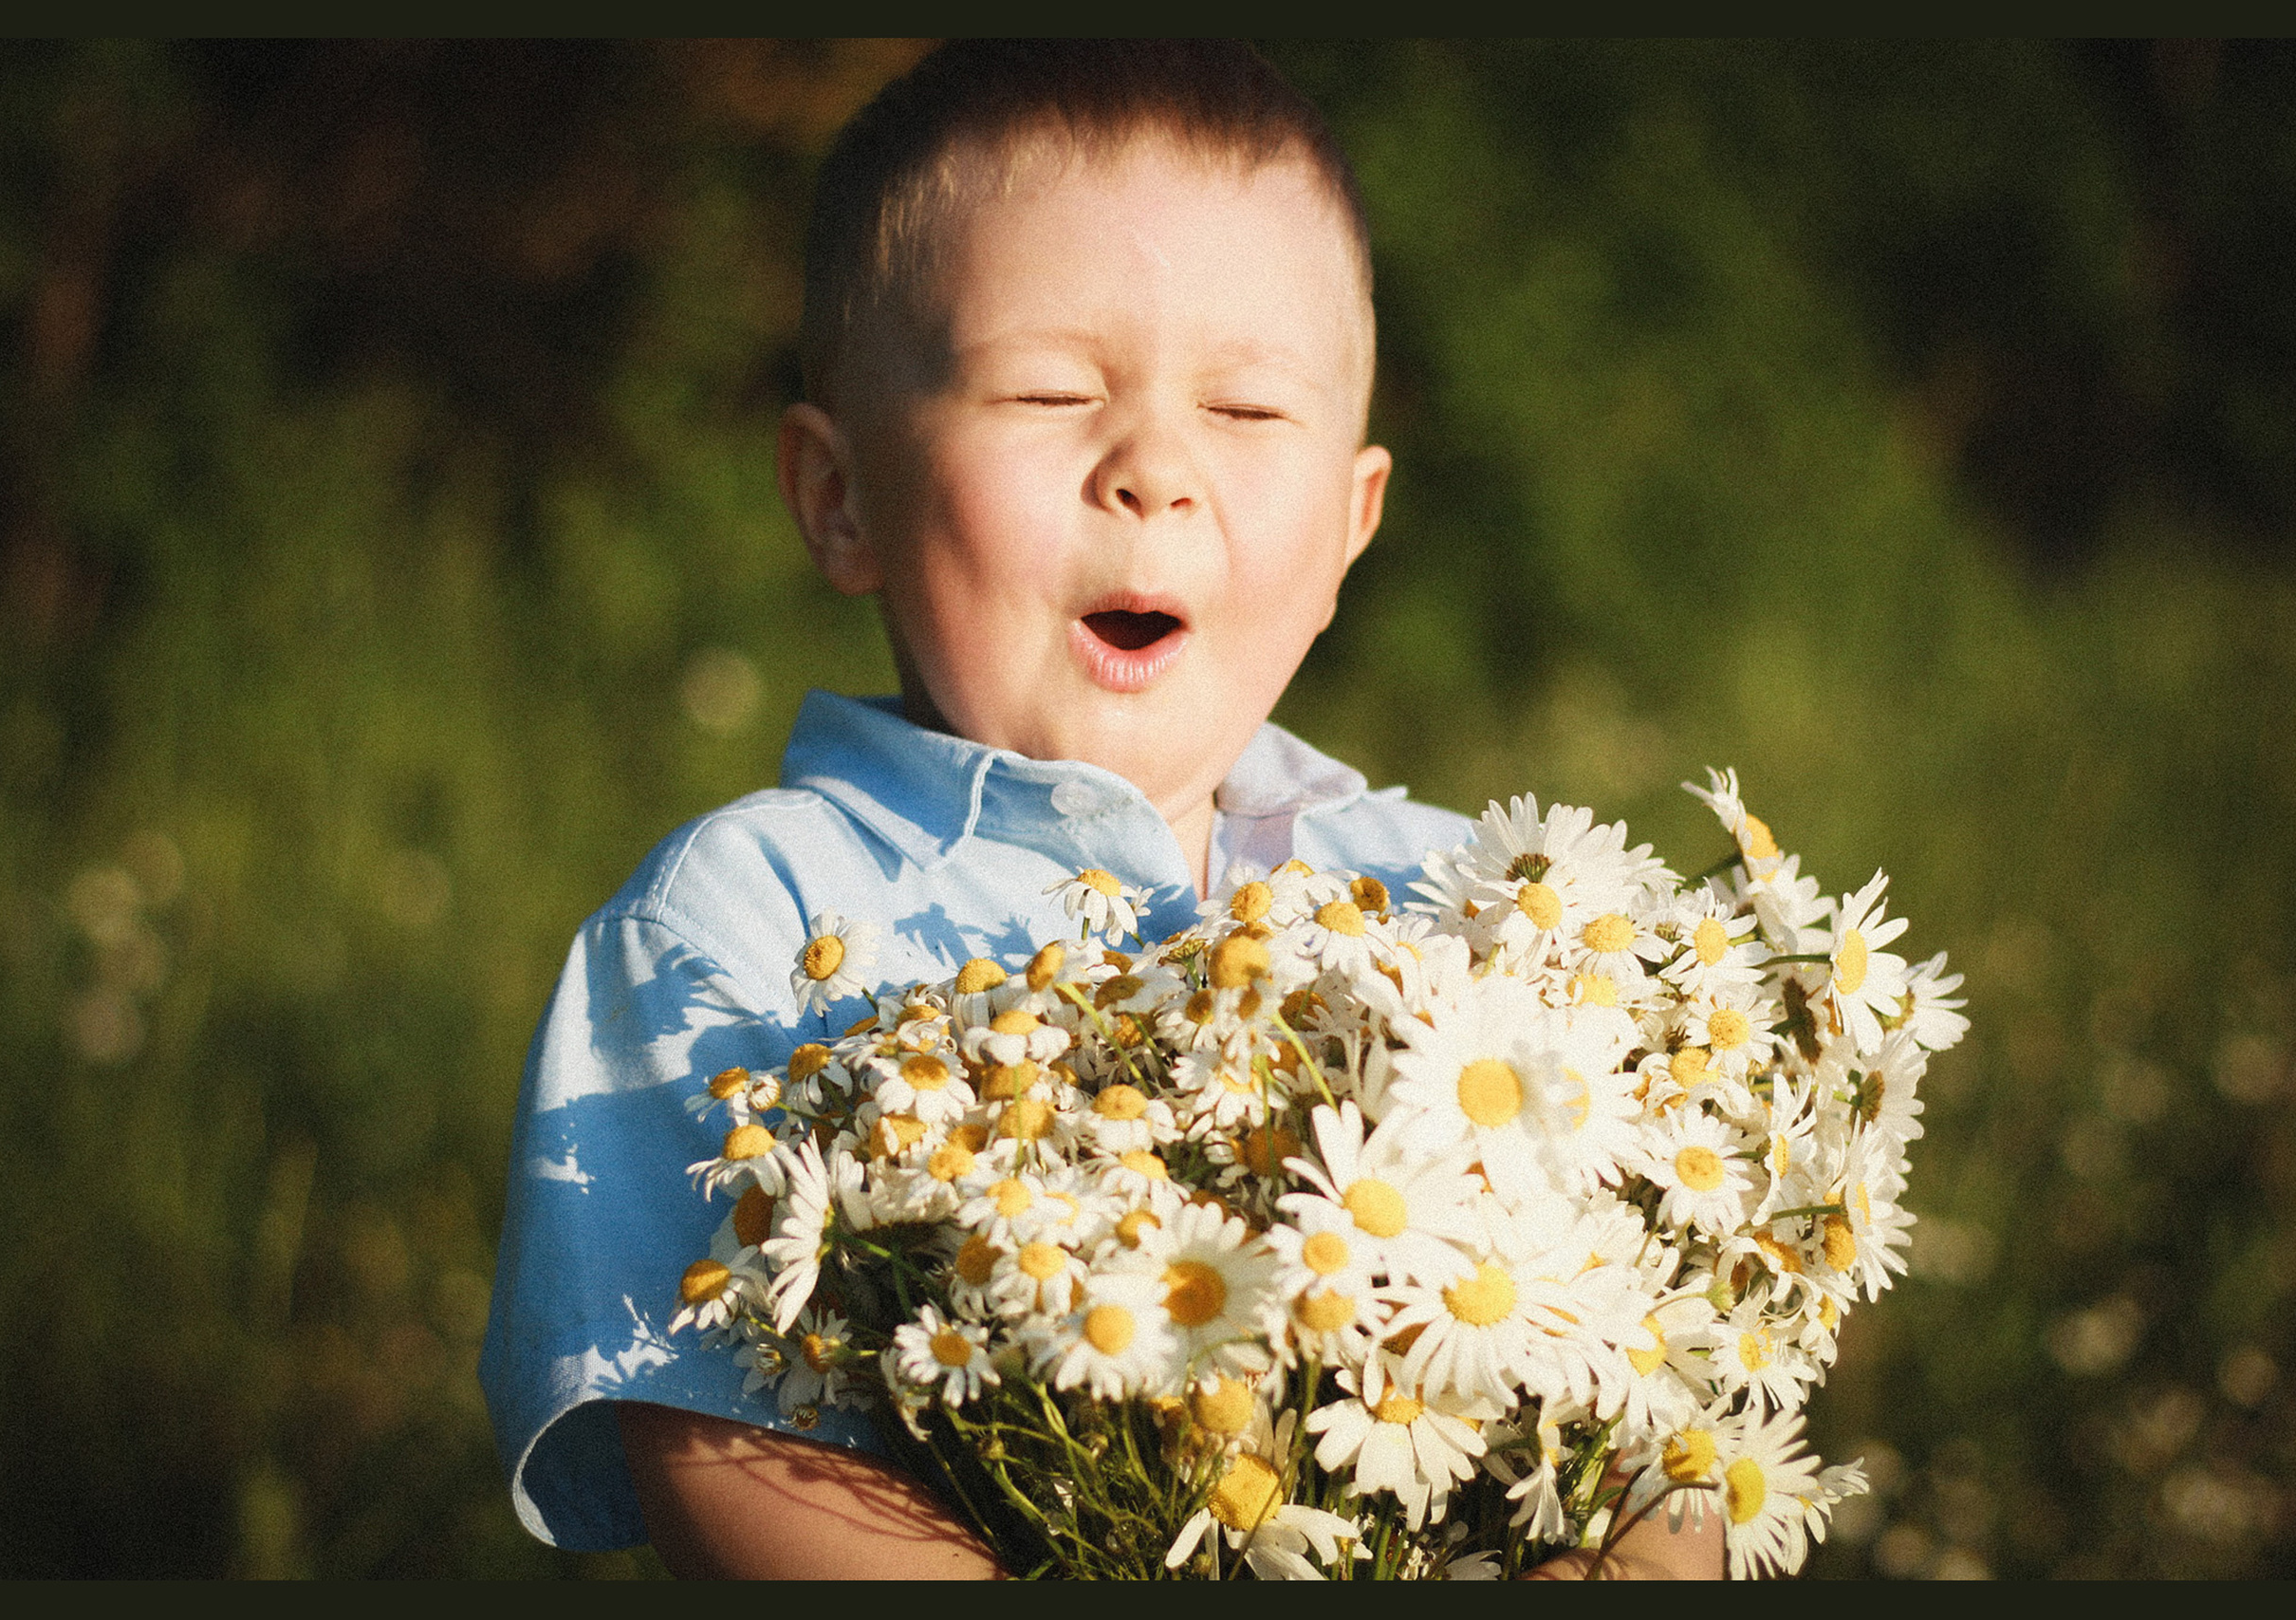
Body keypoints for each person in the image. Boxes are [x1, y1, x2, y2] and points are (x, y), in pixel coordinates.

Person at [480, 40, 1721, 1580]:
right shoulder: (737, 930)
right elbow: (733, 1458)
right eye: (1052, 391)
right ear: (838, 495)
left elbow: (1658, 1386)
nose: (1153, 470)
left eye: (1251, 411)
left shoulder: (1460, 909)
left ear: (1350, 526)